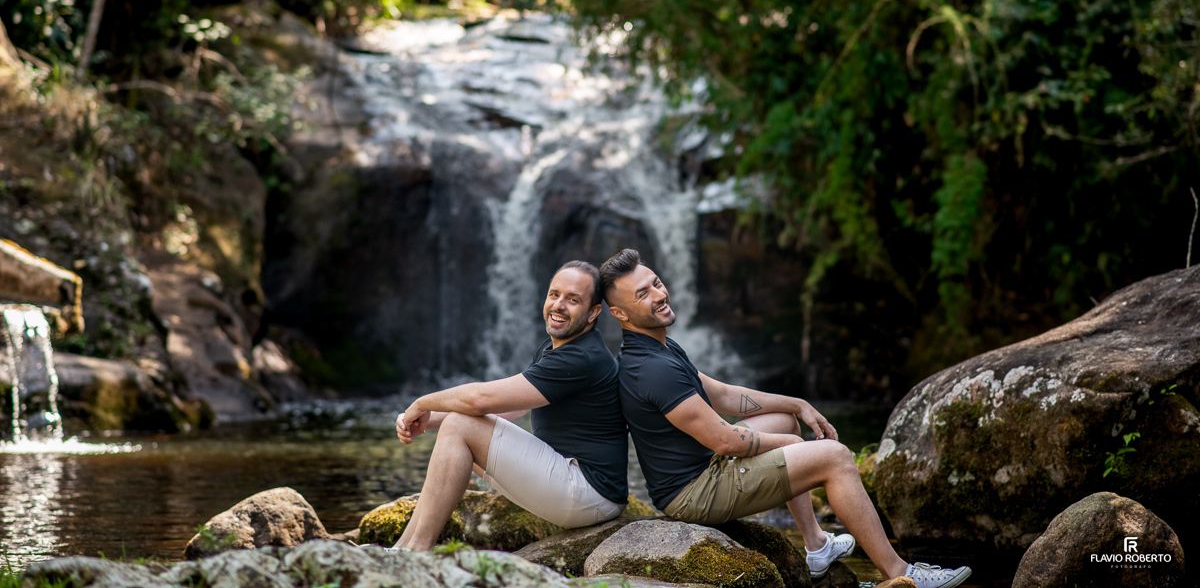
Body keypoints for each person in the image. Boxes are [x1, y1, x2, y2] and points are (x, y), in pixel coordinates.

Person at [600, 248, 973, 588]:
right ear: (619, 313)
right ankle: (900, 573)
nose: (660, 295)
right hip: (695, 492)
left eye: (657, 283)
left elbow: (723, 395)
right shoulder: (651, 369)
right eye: (643, 294)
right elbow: (726, 441)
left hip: (705, 468)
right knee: (835, 457)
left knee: (782, 420)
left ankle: (816, 546)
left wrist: (796, 404)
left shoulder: (658, 345)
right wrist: (792, 447)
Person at [390, 260, 627, 550]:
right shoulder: (559, 346)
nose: (559, 305)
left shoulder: (581, 357)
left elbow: (480, 400)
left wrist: (421, 403)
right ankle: (401, 550)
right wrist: (427, 420)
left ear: (593, 313)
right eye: (555, 294)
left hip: (589, 492)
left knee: (460, 426)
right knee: (456, 428)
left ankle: (416, 552)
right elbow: (513, 408)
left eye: (573, 299)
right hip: (574, 481)